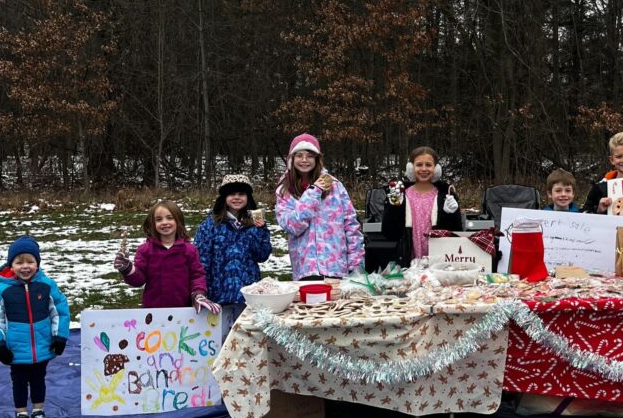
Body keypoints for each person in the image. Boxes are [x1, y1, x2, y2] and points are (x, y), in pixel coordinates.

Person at [0, 235, 70, 418]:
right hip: (16, 348)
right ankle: (21, 413)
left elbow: (60, 311)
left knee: (39, 380)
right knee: (19, 381)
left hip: (42, 345)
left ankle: (38, 411)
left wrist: (60, 337)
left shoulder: (47, 286)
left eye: (30, 261)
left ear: (37, 264)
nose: (25, 266)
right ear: (11, 265)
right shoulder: (2, 289)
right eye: (19, 262)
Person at [275, 133, 364, 278]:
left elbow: (351, 225)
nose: (304, 160)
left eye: (310, 156)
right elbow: (293, 226)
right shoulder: (284, 190)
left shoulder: (335, 186)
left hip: (336, 268)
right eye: (299, 155)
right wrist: (313, 192)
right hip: (306, 269)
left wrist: (356, 264)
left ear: (317, 159)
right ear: (292, 159)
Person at [113, 200, 220, 314]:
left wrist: (198, 295)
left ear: (178, 221)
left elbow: (197, 276)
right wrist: (128, 269)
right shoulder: (145, 250)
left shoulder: (189, 250)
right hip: (153, 312)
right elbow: (139, 280)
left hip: (184, 311)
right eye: (159, 219)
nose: (164, 222)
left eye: (169, 218)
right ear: (152, 224)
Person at [194, 174, 272, 328]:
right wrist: (201, 290)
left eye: (241, 194)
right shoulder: (210, 225)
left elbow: (262, 255)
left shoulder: (254, 224)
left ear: (248, 197)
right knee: (222, 340)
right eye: (232, 194)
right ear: (224, 197)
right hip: (218, 294)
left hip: (248, 294)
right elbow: (201, 261)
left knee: (247, 339)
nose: (237, 198)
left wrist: (261, 231)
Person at [382, 145, 461, 266]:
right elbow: (389, 233)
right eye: (419, 165)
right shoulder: (400, 196)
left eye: (428, 165)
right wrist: (394, 208)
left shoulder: (447, 196)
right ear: (411, 168)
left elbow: (456, 233)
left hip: (439, 263)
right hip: (407, 264)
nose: (424, 169)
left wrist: (450, 215)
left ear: (436, 168)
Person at [583, 132, 623, 214]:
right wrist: (598, 210)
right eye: (619, 156)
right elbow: (584, 215)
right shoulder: (600, 189)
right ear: (612, 160)